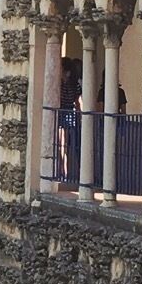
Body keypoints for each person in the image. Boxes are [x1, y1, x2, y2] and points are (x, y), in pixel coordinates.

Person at [56, 50, 84, 185]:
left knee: (62, 144)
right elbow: (78, 102)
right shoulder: (75, 84)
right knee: (64, 145)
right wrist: (81, 115)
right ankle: (64, 172)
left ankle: (64, 173)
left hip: (63, 113)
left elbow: (76, 101)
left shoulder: (61, 84)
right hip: (70, 114)